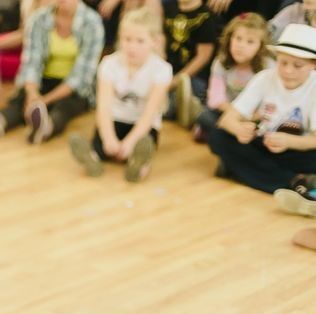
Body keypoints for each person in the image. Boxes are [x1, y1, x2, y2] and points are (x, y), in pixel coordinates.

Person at [208, 24, 316, 215]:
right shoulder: (264, 78)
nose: (288, 71)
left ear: (313, 65)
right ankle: (295, 184)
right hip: (264, 143)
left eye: (297, 65)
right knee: (218, 136)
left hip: (298, 149)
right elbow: (227, 119)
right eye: (283, 63)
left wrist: (290, 141)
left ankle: (244, 169)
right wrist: (238, 129)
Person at [0, 0, 104, 142]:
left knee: (64, 108)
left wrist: (44, 100)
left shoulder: (93, 23)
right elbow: (32, 63)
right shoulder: (39, 18)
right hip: (43, 80)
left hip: (74, 89)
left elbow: (80, 77)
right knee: (21, 101)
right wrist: (32, 94)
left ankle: (46, 127)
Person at [68, 7, 170, 181]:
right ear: (119, 39)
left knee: (143, 144)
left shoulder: (162, 70)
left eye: (140, 41)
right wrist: (109, 138)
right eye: (127, 39)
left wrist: (129, 142)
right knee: (101, 145)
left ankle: (138, 166)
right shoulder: (109, 63)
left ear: (155, 42)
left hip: (143, 126)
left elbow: (149, 114)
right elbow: (104, 106)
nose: (132, 46)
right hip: (115, 119)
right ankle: (93, 159)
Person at [194, 11, 271, 140]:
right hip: (226, 111)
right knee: (204, 116)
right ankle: (225, 132)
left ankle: (218, 133)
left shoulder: (268, 67)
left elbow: (270, 103)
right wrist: (233, 118)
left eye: (250, 42)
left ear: (261, 47)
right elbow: (216, 98)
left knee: (263, 130)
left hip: (256, 116)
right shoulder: (221, 62)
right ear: (229, 39)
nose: (241, 46)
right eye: (237, 38)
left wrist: (250, 117)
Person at [163, 0, 217, 128]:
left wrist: (176, 81)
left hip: (194, 76)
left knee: (174, 103)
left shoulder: (206, 16)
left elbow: (203, 57)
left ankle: (190, 106)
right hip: (169, 71)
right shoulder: (169, 8)